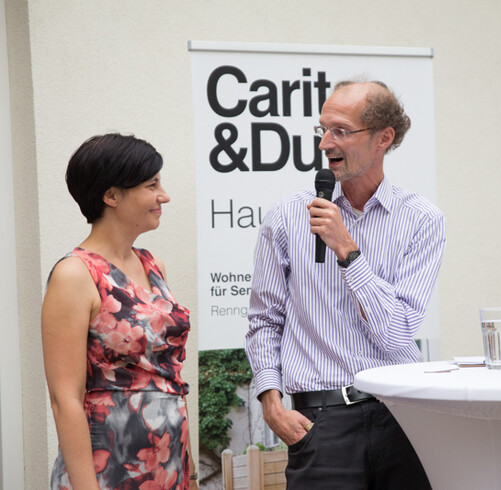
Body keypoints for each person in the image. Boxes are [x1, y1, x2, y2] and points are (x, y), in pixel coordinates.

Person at [245, 80, 446, 489]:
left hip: (403, 415)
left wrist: (348, 253)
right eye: (322, 129)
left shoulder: (422, 220)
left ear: (382, 138)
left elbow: (399, 332)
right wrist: (271, 402)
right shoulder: (286, 217)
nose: (324, 143)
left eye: (340, 130)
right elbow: (264, 320)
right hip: (322, 422)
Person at [41, 133, 198, 490]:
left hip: (168, 464)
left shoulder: (152, 263)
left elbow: (166, 379)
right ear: (111, 195)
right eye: (151, 185)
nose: (164, 196)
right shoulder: (75, 274)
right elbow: (64, 398)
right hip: (107, 467)